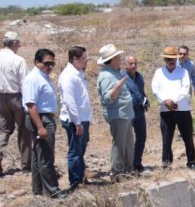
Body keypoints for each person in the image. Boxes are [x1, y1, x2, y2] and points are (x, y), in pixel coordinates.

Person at [22, 48, 67, 198]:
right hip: (40, 119)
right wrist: (40, 126)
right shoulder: (33, 78)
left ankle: (38, 189)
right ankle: (52, 191)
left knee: (38, 156)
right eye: (46, 63)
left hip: (45, 117)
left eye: (52, 64)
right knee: (47, 156)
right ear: (37, 62)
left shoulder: (43, 76)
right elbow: (31, 105)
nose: (50, 66)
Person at [151, 46, 195, 169]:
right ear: (164, 60)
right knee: (166, 139)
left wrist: (173, 101)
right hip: (166, 110)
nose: (170, 61)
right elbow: (155, 89)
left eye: (172, 59)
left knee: (187, 137)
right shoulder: (159, 72)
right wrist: (165, 101)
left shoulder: (183, 72)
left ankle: (191, 161)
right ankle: (166, 163)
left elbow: (185, 89)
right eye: (168, 59)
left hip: (182, 109)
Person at [96, 44, 134, 178]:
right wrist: (117, 87)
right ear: (111, 59)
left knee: (128, 143)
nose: (120, 58)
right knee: (119, 143)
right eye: (117, 56)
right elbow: (106, 98)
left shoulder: (114, 72)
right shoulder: (107, 76)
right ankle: (117, 173)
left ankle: (128, 171)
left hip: (124, 113)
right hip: (118, 114)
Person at [58, 45, 93, 189]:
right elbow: (70, 101)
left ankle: (81, 174)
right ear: (75, 59)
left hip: (83, 118)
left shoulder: (78, 72)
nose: (86, 61)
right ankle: (75, 182)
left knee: (80, 149)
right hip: (75, 120)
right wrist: (77, 123)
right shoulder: (68, 76)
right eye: (84, 58)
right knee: (75, 151)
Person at [0, 31, 32, 176]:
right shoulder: (18, 60)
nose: (19, 45)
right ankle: (26, 165)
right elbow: (25, 83)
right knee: (24, 131)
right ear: (13, 43)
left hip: (1, 98)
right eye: (18, 43)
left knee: (4, 130)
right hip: (16, 97)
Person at [122, 55, 148, 172]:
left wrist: (145, 100)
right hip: (128, 111)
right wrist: (140, 99)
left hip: (139, 110)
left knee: (141, 136)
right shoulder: (121, 77)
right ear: (125, 65)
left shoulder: (139, 76)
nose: (133, 66)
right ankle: (126, 164)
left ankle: (137, 162)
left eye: (135, 63)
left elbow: (141, 92)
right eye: (130, 63)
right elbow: (126, 96)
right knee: (127, 139)